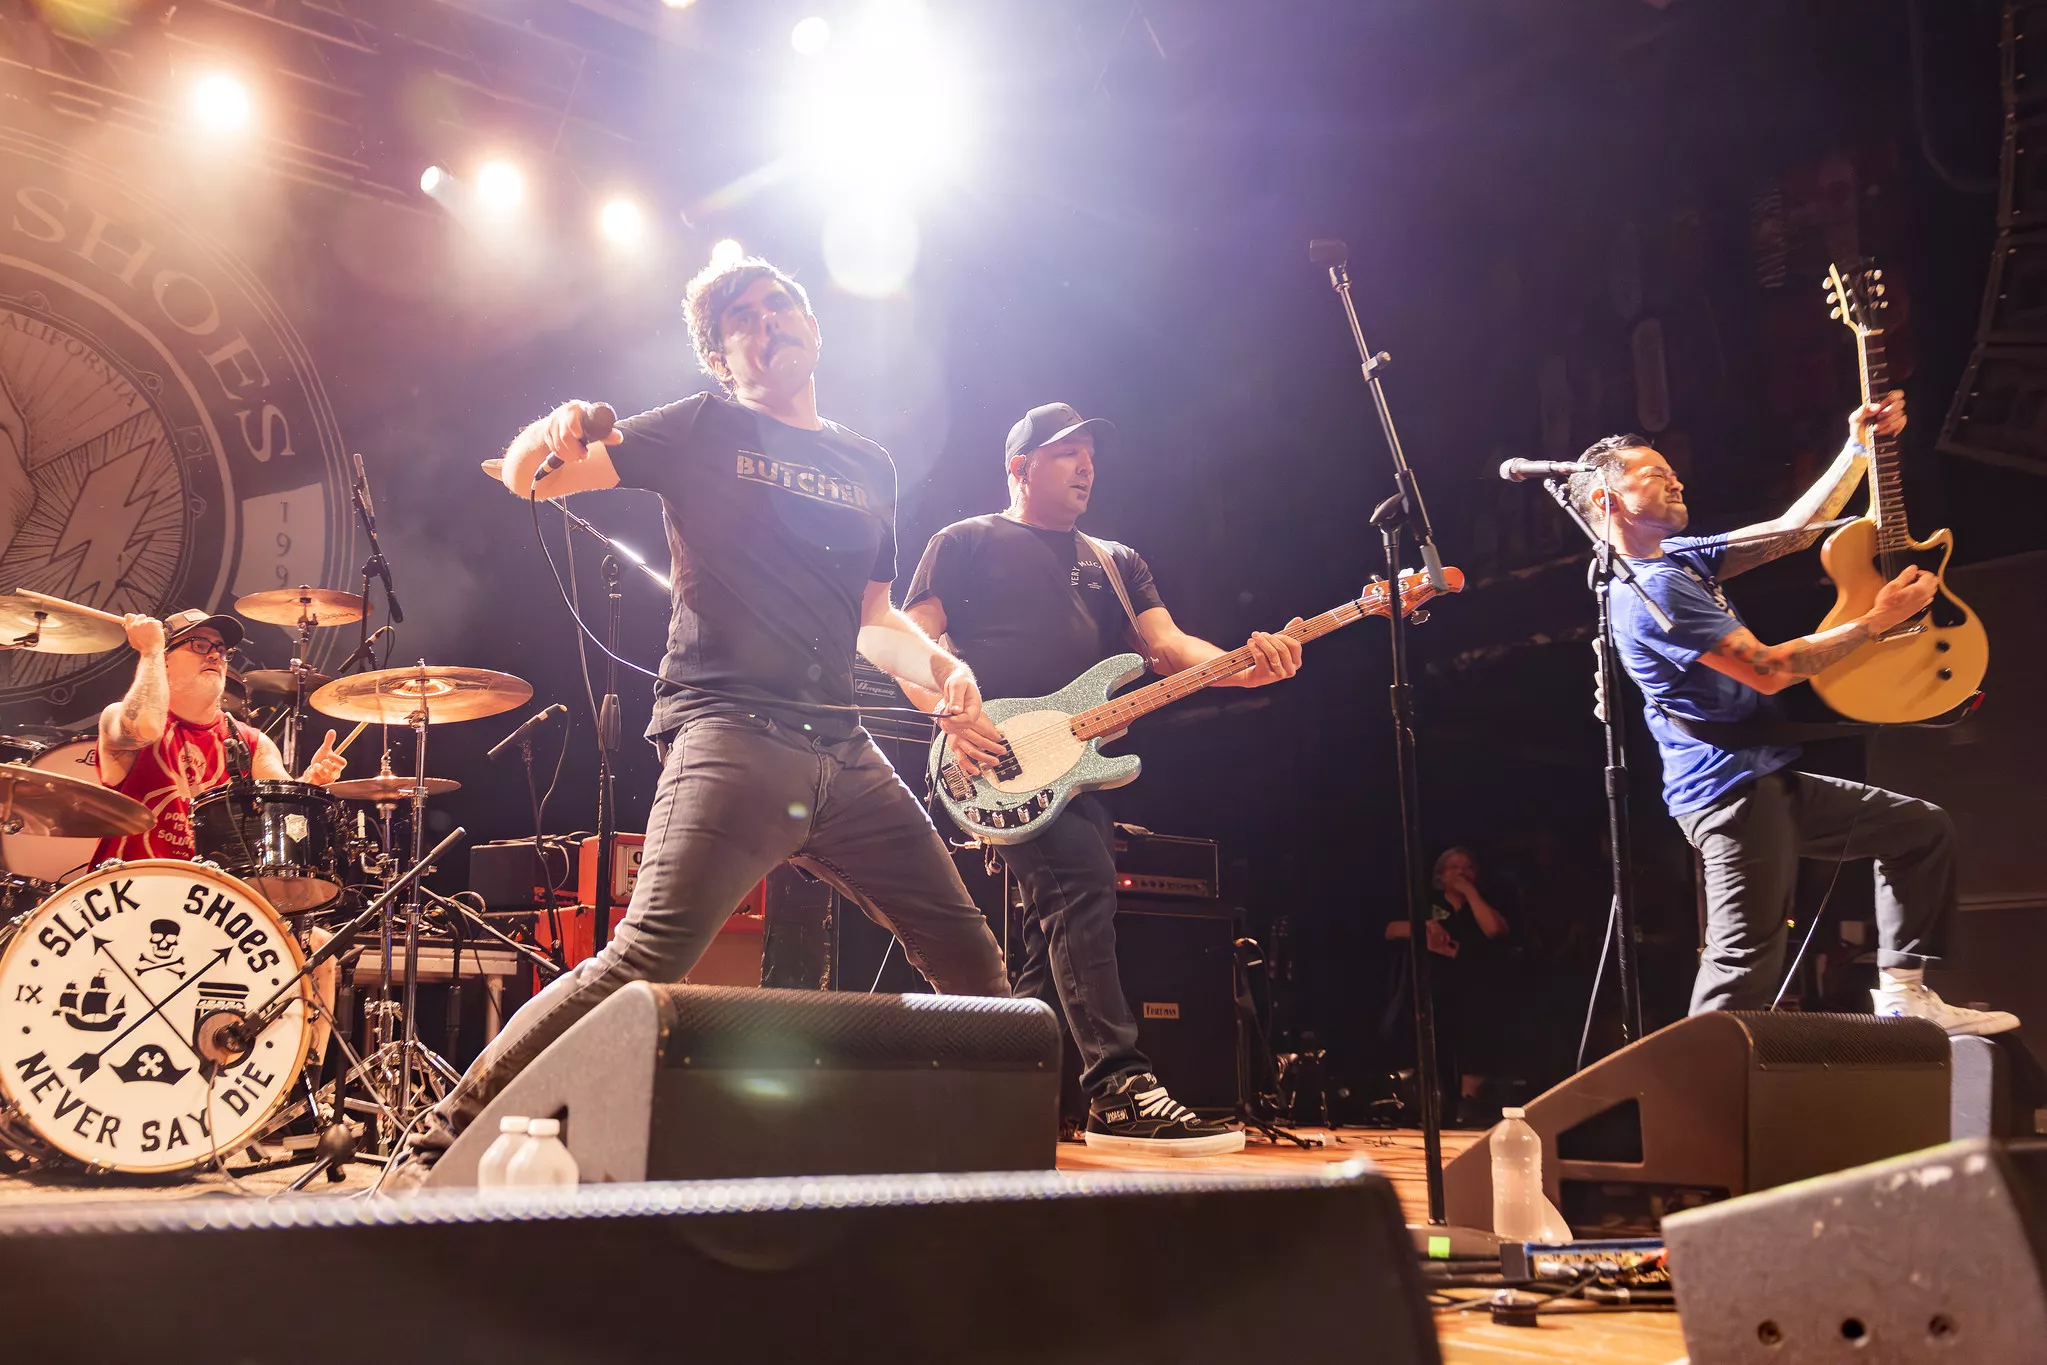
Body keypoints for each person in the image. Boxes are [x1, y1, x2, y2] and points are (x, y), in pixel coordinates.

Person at [387, 256, 1012, 1184]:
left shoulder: (867, 463)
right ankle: (430, 1156)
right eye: (744, 320)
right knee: (642, 958)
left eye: (780, 306)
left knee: (972, 962)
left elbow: (874, 619)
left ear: (812, 325)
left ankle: (990, 1179)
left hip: (845, 749)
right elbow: (531, 480)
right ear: (722, 358)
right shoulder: (700, 425)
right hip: (731, 735)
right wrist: (549, 432)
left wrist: (944, 667)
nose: (769, 324)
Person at [901, 403, 1302, 1154]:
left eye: (1090, 453)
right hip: (990, 759)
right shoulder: (963, 541)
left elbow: (1166, 645)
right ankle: (1118, 1087)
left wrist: (1239, 668)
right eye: (1066, 453)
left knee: (1048, 929)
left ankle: (1002, 1090)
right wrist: (951, 716)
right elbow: (909, 640)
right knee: (1081, 886)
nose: (1087, 465)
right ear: (1018, 466)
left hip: (1074, 770)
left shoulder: (1115, 560)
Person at [1571, 392, 2016, 1034]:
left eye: (1673, 471)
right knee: (1746, 966)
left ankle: (1904, 993)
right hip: (1728, 793)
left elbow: (1796, 532)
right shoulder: (1650, 593)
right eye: (1655, 474)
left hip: (1764, 779)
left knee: (1920, 831)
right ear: (1608, 502)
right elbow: (1769, 669)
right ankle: (1696, 1109)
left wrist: (1857, 447)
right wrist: (1878, 621)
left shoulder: (1679, 560)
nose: (1676, 479)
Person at [95, 608, 348, 863]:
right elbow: (147, 727)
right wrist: (150, 652)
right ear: (166, 658)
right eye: (199, 645)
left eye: (222, 649)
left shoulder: (253, 743)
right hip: (126, 894)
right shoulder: (117, 716)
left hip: (208, 897)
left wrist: (310, 782)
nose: (216, 655)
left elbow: (283, 811)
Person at [1385, 846, 1512, 1125]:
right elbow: (1389, 929)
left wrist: (1469, 893)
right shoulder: (1426, 904)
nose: (1461, 873)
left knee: (1474, 1049)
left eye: (1467, 867)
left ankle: (1469, 1111)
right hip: (1433, 991)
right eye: (1453, 868)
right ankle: (1430, 1111)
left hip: (1474, 991)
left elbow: (1494, 930)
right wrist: (1423, 928)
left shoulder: (1484, 904)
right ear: (1440, 876)